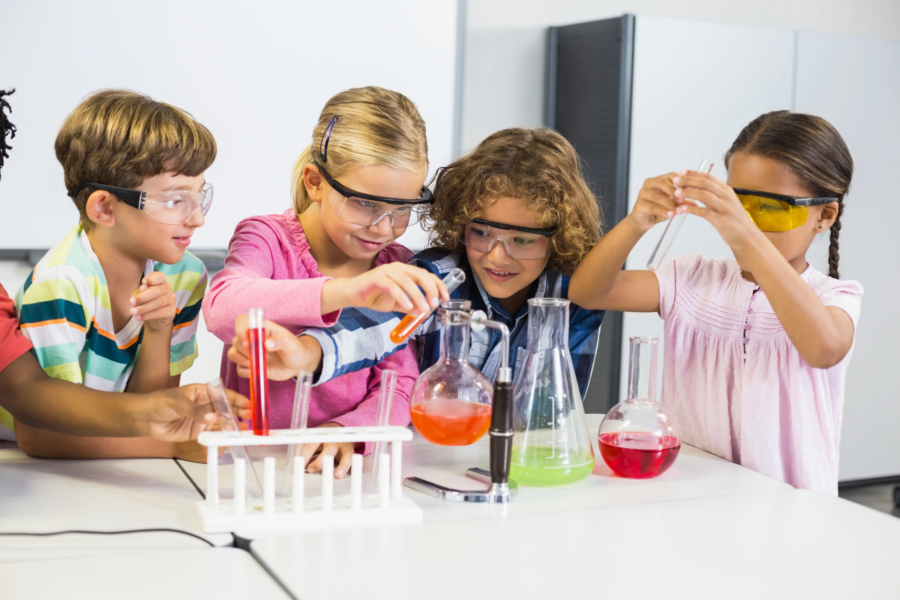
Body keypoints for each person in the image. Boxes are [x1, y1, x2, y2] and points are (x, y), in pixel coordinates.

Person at [567, 111, 862, 495]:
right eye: (739, 203)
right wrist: (637, 220)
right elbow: (587, 293)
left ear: (824, 215)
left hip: (790, 512)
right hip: (696, 501)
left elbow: (824, 349)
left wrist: (744, 235)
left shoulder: (833, 296)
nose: (747, 222)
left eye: (770, 208)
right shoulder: (692, 278)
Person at [227, 127, 606, 413]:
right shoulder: (438, 278)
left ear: (558, 237)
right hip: (432, 463)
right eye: (480, 232)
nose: (496, 256)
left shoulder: (574, 297)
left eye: (521, 240)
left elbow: (557, 410)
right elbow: (371, 330)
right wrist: (306, 355)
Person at [203, 87, 448, 479]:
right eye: (366, 203)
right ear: (315, 182)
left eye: (402, 209)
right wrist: (347, 291)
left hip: (339, 472)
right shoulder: (266, 238)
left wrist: (350, 431)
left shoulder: (397, 265)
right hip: (252, 471)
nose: (384, 228)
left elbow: (400, 382)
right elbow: (221, 309)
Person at [0, 88, 250, 449]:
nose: (197, 219)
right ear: (104, 208)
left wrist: (160, 328)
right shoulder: (62, 283)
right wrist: (175, 447)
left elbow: (155, 411)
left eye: (200, 197)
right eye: (175, 200)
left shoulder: (184, 275)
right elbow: (42, 435)